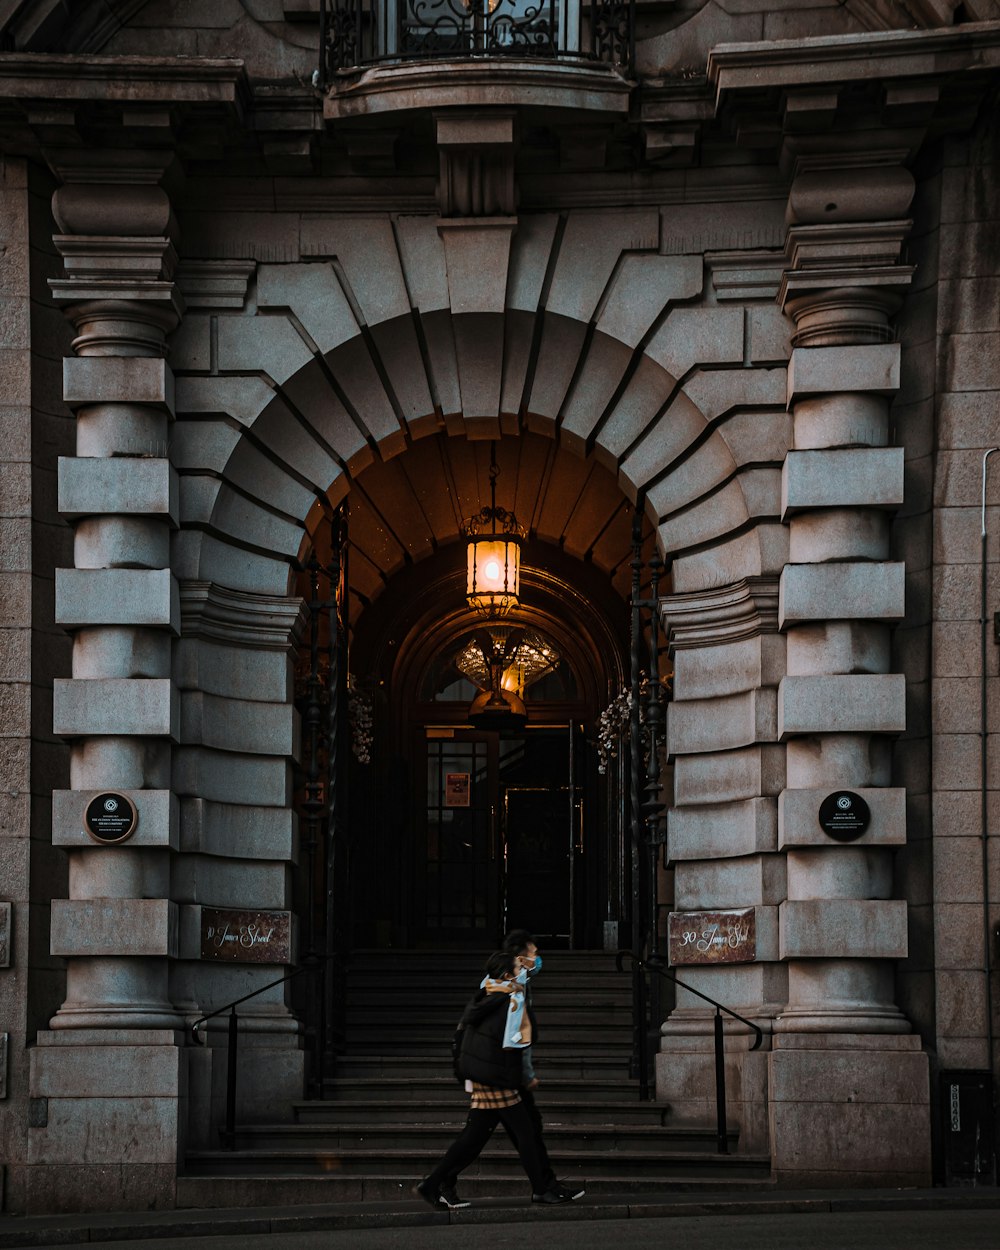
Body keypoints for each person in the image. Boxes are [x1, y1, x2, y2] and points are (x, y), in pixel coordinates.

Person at [415, 950, 581, 1210]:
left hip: (486, 1073)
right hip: (495, 1076)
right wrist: (517, 1078)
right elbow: (512, 1043)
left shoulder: (490, 989)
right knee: (523, 1132)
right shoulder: (510, 999)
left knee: (477, 1135)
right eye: (518, 968)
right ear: (507, 975)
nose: (523, 971)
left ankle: (437, 1183)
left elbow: (528, 972)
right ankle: (540, 1189)